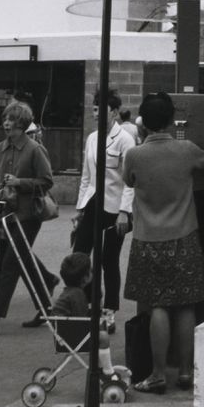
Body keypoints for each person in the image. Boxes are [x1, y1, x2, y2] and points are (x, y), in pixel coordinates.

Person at [121, 92, 204, 394]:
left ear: (142, 122)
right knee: (187, 304)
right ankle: (187, 372)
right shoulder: (187, 149)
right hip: (185, 235)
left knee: (159, 305)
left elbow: (128, 182)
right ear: (169, 119)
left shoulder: (135, 155)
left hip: (149, 238)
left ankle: (158, 373)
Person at [0, 100, 58, 335]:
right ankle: (46, 305)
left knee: (11, 263)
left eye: (12, 122)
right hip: (6, 214)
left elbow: (47, 181)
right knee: (22, 260)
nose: (7, 125)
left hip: (28, 214)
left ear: (22, 125)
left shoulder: (34, 149)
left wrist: (20, 183)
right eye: (6, 120)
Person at [71, 88, 137, 335]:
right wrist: (79, 209)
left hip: (115, 207)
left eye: (101, 110)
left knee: (109, 260)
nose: (96, 113)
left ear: (115, 112)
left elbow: (130, 180)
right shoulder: (91, 138)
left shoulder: (124, 140)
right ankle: (91, 303)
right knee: (80, 255)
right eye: (94, 109)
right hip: (92, 204)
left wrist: (124, 212)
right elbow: (86, 177)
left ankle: (109, 311)